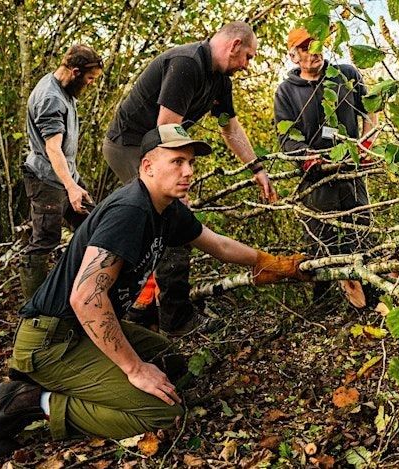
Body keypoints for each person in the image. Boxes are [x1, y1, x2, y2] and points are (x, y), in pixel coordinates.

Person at [0, 124, 309, 455]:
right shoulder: (131, 210)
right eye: (177, 162)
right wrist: (134, 370)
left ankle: (71, 381)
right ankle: (27, 400)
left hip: (82, 333)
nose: (188, 171)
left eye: (191, 162)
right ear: (147, 166)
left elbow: (218, 245)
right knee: (161, 412)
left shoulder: (167, 208)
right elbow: (86, 297)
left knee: (169, 364)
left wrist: (271, 262)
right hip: (52, 341)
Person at [102, 21, 278, 334]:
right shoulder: (187, 65)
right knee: (173, 219)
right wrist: (175, 188)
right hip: (128, 145)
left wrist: (258, 168)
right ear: (235, 44)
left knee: (160, 222)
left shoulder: (220, 82)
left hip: (157, 144)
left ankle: (143, 306)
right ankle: (176, 319)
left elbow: (230, 128)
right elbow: (166, 127)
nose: (247, 65)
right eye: (248, 57)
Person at [273, 27, 379, 308]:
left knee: (360, 230)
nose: (313, 51)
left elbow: (370, 109)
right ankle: (323, 304)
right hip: (315, 178)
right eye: (305, 48)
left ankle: (368, 298)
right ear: (294, 55)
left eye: (316, 44)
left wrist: (366, 144)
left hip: (349, 170)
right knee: (321, 240)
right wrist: (306, 157)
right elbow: (287, 137)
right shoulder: (286, 92)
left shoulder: (346, 75)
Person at [19, 44, 104, 299]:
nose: (90, 84)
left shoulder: (62, 88)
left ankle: (84, 291)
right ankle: (34, 307)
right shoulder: (50, 98)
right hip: (47, 181)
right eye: (89, 79)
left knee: (93, 225)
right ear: (75, 72)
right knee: (44, 241)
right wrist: (71, 187)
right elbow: (53, 149)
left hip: (66, 176)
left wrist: (74, 181)